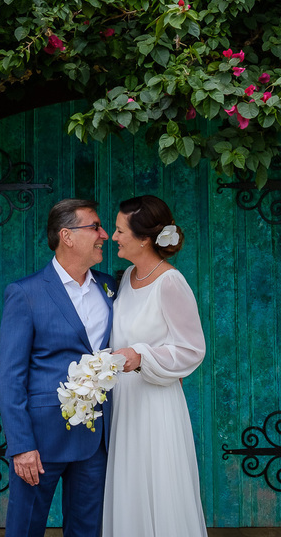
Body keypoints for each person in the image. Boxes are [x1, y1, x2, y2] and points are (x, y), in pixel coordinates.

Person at [0, 198, 118, 537]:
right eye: (94, 226)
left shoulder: (110, 287)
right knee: (26, 529)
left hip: (96, 438)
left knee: (87, 530)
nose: (104, 234)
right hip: (41, 440)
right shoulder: (25, 293)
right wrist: (21, 445)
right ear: (67, 235)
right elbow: (10, 376)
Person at [103, 195, 208, 537]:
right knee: (131, 488)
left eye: (120, 230)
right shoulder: (128, 278)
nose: (113, 236)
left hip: (156, 406)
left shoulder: (170, 282)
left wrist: (142, 356)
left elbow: (192, 349)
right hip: (127, 405)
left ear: (144, 238)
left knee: (159, 489)